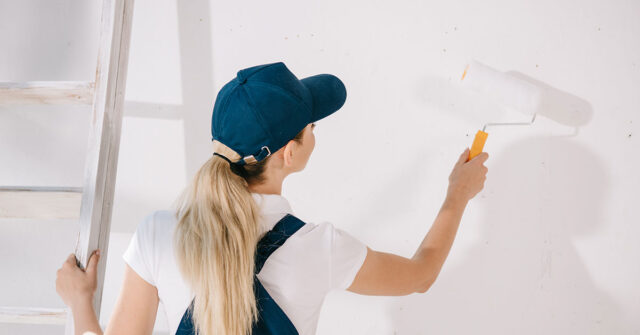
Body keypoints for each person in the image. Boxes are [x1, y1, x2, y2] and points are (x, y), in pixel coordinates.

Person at [56, 61, 488, 335]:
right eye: (310, 126)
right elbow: (420, 275)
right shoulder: (321, 248)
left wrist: (80, 302)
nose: (314, 130)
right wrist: (458, 195)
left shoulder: (157, 234)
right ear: (290, 152)